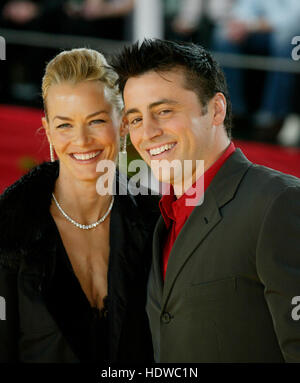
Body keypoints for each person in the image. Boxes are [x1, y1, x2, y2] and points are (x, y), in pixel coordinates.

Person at [111, 39, 300, 362]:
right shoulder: (160, 219)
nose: (148, 132)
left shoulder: (279, 202)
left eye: (164, 111)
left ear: (216, 109)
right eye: (136, 119)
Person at [0, 48, 159, 363]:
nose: (82, 140)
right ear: (48, 132)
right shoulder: (7, 228)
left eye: (96, 121)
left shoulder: (157, 220)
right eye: (64, 125)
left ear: (124, 124)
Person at [212, 0, 300, 141]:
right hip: (259, 31)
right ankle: (234, 111)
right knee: (226, 40)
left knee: (285, 44)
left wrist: (251, 25)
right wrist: (240, 25)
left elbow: (292, 20)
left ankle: (273, 116)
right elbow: (243, 9)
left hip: (289, 36)